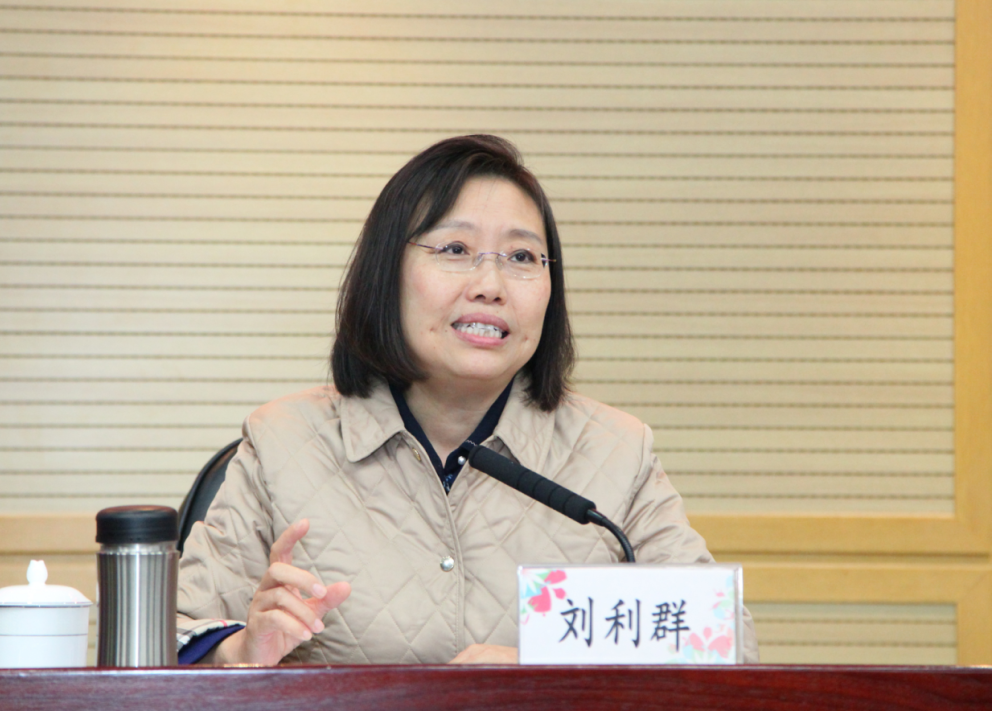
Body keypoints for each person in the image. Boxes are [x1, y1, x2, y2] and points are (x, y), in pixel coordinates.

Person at [176, 134, 759, 665]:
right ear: (387, 273)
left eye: (522, 257)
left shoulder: (616, 453)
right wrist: (240, 651)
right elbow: (171, 638)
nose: (490, 285)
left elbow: (725, 644)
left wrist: (538, 675)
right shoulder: (284, 443)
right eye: (455, 249)